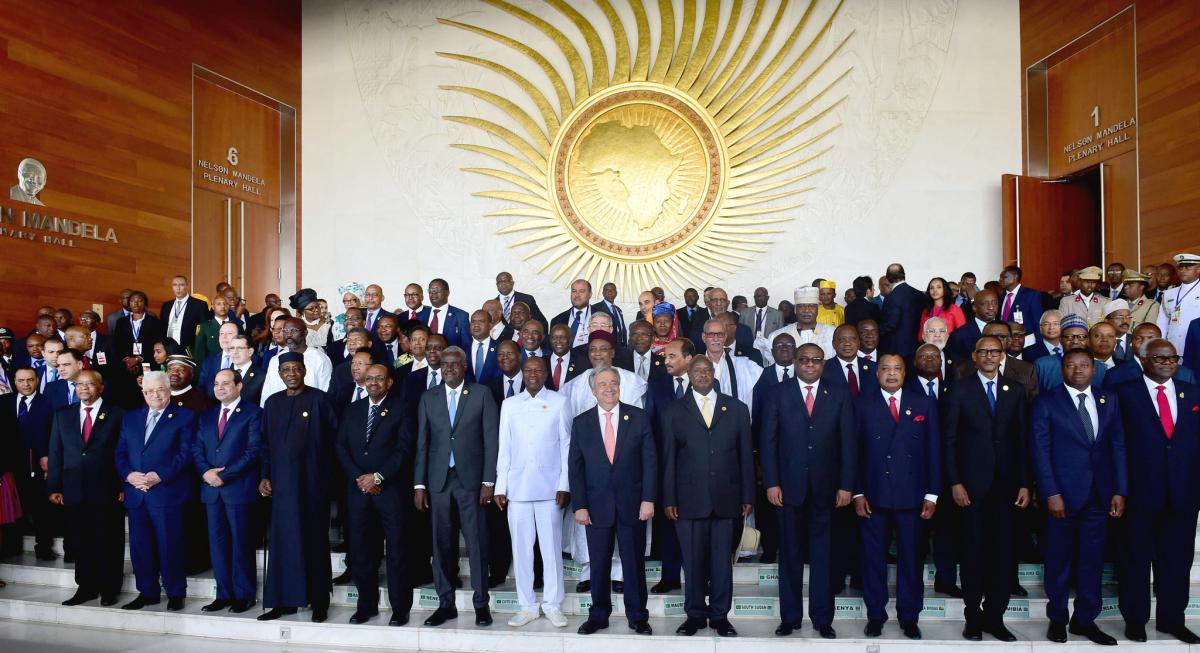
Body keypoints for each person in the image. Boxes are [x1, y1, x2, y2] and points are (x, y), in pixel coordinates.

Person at [1031, 349, 1126, 645]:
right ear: (1062, 370)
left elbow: (1117, 446)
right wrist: (1051, 493)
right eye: (1071, 365)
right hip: (1062, 497)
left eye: (1084, 365)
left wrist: (1120, 490)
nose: (1078, 370)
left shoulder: (1108, 399)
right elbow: (1040, 451)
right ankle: (1058, 618)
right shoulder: (1046, 402)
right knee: (1059, 561)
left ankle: (1085, 620)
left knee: (1092, 561)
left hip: (1099, 495)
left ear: (1094, 369)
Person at [760, 343, 855, 639]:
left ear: (823, 364)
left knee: (823, 557)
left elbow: (848, 444)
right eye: (805, 360)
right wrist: (772, 482)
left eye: (816, 360)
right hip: (788, 489)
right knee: (789, 555)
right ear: (796, 362)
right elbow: (768, 443)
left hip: (827, 490)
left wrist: (846, 485)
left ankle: (822, 618)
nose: (810, 365)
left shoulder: (839, 395)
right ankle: (790, 618)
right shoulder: (777, 393)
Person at [943, 336, 1030, 642]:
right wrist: (955, 482)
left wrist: (1023, 483)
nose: (990, 356)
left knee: (1003, 555)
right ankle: (973, 617)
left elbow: (1021, 441)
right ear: (975, 356)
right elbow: (949, 441)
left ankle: (996, 616)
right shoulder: (959, 390)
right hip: (971, 487)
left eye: (995, 351)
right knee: (973, 553)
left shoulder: (1016, 390)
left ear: (1002, 355)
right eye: (984, 352)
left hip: (1007, 487)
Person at [1114, 339, 1200, 643]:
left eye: (1172, 357)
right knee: (1135, 561)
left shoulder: (1192, 393)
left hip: (1183, 495)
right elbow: (1117, 446)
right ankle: (1135, 621)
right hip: (1139, 494)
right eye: (1159, 357)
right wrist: (1120, 490)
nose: (1166, 362)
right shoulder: (1124, 394)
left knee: (1177, 562)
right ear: (1145, 359)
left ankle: (1171, 620)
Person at [662, 356, 753, 638]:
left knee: (722, 563)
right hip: (689, 500)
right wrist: (669, 499)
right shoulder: (674, 411)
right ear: (688, 375)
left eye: (706, 370)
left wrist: (748, 495)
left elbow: (745, 457)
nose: (702, 375)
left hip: (727, 498)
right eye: (696, 371)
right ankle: (695, 615)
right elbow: (668, 459)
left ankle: (720, 616)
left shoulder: (737, 409)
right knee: (692, 562)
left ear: (714, 373)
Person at [854, 354, 939, 639]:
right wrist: (857, 492)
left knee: (911, 558)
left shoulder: (924, 403)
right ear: (877, 373)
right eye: (886, 369)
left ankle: (909, 616)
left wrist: (932, 494)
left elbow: (933, 452)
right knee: (873, 559)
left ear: (906, 373)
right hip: (873, 495)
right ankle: (875, 615)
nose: (891, 374)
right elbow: (853, 452)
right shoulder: (862, 404)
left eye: (897, 369)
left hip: (912, 496)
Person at [413, 346, 498, 628]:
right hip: (438, 481)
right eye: (444, 365)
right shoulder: (428, 397)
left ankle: (481, 604)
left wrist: (489, 481)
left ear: (464, 367)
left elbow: (491, 440)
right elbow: (423, 444)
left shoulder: (481, 393)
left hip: (472, 481)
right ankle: (445, 603)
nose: (448, 369)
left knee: (476, 542)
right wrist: (419, 484)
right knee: (441, 544)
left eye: (454, 364)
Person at [569, 365, 656, 636]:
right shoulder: (581, 422)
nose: (609, 388)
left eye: (613, 383)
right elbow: (576, 467)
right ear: (593, 390)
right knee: (599, 563)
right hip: (595, 507)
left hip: (633, 504)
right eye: (603, 384)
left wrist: (648, 499)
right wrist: (580, 505)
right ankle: (598, 615)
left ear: (620, 386)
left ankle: (638, 616)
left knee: (633, 563)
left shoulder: (638, 417)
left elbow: (650, 462)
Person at [257, 352, 338, 622]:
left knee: (313, 541)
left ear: (304, 371)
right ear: (279, 374)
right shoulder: (272, 403)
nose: (291, 373)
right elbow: (265, 445)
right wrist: (265, 476)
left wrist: (326, 479)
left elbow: (333, 442)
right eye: (286, 370)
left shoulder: (319, 399)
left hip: (312, 486)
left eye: (296, 369)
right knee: (283, 543)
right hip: (281, 488)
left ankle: (318, 601)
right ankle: (284, 601)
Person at [494, 356, 571, 628]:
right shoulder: (510, 405)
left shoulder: (560, 401)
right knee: (522, 550)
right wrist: (500, 486)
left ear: (546, 372)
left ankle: (552, 604)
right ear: (522, 373)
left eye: (538, 370)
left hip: (551, 489)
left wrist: (565, 484)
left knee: (550, 550)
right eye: (528, 370)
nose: (533, 374)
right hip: (517, 488)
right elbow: (505, 447)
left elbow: (566, 446)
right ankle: (527, 605)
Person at [334, 363, 413, 626]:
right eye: (370, 379)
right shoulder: (352, 409)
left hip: (390, 491)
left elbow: (403, 450)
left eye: (380, 379)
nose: (374, 383)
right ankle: (366, 606)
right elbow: (341, 447)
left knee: (398, 552)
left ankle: (400, 608)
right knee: (361, 551)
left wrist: (378, 477)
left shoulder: (402, 408)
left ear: (389, 382)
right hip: (358, 492)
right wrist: (361, 478)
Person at [116, 371, 197, 612]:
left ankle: (175, 592)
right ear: (143, 393)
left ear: (168, 390)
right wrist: (129, 475)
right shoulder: (130, 418)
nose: (155, 395)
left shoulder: (185, 416)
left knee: (169, 544)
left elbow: (186, 454)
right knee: (140, 547)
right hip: (136, 493)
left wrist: (158, 476)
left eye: (160, 390)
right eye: (149, 391)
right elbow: (120, 452)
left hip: (167, 492)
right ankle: (147, 592)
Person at [46, 370, 125, 606]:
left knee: (108, 538)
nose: (83, 388)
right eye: (79, 384)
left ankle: (110, 587)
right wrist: (54, 487)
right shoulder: (63, 415)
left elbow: (124, 453)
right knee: (80, 540)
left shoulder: (118, 414)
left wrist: (123, 484)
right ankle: (86, 587)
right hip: (73, 488)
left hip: (107, 487)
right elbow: (55, 453)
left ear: (100, 387)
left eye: (89, 384)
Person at [193, 368, 262, 614]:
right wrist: (206, 473)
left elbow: (253, 451)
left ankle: (244, 594)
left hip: (238, 489)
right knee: (218, 544)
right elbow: (197, 449)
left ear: (239, 386)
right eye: (216, 384)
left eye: (226, 383)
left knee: (241, 543)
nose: (220, 388)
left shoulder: (253, 413)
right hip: (211, 490)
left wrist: (223, 475)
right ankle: (223, 594)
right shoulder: (207, 415)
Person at [260, 317, 332, 405]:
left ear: (305, 333)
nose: (289, 334)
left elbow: (325, 393)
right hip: (279, 412)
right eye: (285, 331)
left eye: (294, 330)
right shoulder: (275, 360)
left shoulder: (320, 359)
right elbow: (267, 393)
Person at [759, 287, 833, 364]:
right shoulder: (777, 336)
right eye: (801, 306)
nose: (806, 310)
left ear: (818, 309)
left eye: (811, 306)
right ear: (795, 309)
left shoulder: (832, 333)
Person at [1157, 253, 1200, 357]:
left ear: (1198, 269)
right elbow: (1162, 321)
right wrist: (1161, 345)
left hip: (1196, 347)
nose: (1183, 270)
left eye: (1188, 267)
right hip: (1173, 348)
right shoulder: (1169, 293)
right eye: (1180, 267)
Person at [879, 264, 924, 358]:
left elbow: (891, 324)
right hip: (918, 346)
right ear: (904, 275)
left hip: (896, 349)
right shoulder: (920, 294)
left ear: (888, 278)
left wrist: (876, 331)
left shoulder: (891, 297)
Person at [417, 278, 471, 351]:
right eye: (430, 290)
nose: (433, 293)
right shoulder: (421, 315)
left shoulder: (461, 316)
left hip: (450, 360)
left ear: (447, 293)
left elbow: (467, 346)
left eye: (437, 290)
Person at [160, 275, 210, 352]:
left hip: (188, 349)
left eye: (181, 285)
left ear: (187, 286)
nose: (178, 288)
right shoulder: (166, 305)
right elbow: (162, 327)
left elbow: (203, 329)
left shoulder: (199, 305)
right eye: (175, 285)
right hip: (167, 348)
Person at [998, 266, 1044, 348]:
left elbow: (1038, 322)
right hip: (1005, 342)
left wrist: (1039, 344)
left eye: (1004, 277)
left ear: (1015, 277)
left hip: (1026, 342)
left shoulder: (1031, 295)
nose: (1000, 280)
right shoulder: (1001, 297)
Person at [948, 289, 998, 360]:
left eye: (994, 303)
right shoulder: (959, 335)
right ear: (974, 307)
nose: (991, 307)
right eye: (984, 303)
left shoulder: (1005, 330)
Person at [193, 294, 237, 362]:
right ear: (213, 307)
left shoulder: (236, 326)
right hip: (212, 368)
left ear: (229, 306)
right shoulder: (205, 327)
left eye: (225, 304)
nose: (222, 306)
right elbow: (199, 355)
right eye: (218, 304)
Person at [466, 309, 500, 385]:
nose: (476, 324)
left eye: (481, 321)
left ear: (490, 326)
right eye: (473, 321)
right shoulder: (462, 349)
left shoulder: (499, 348)